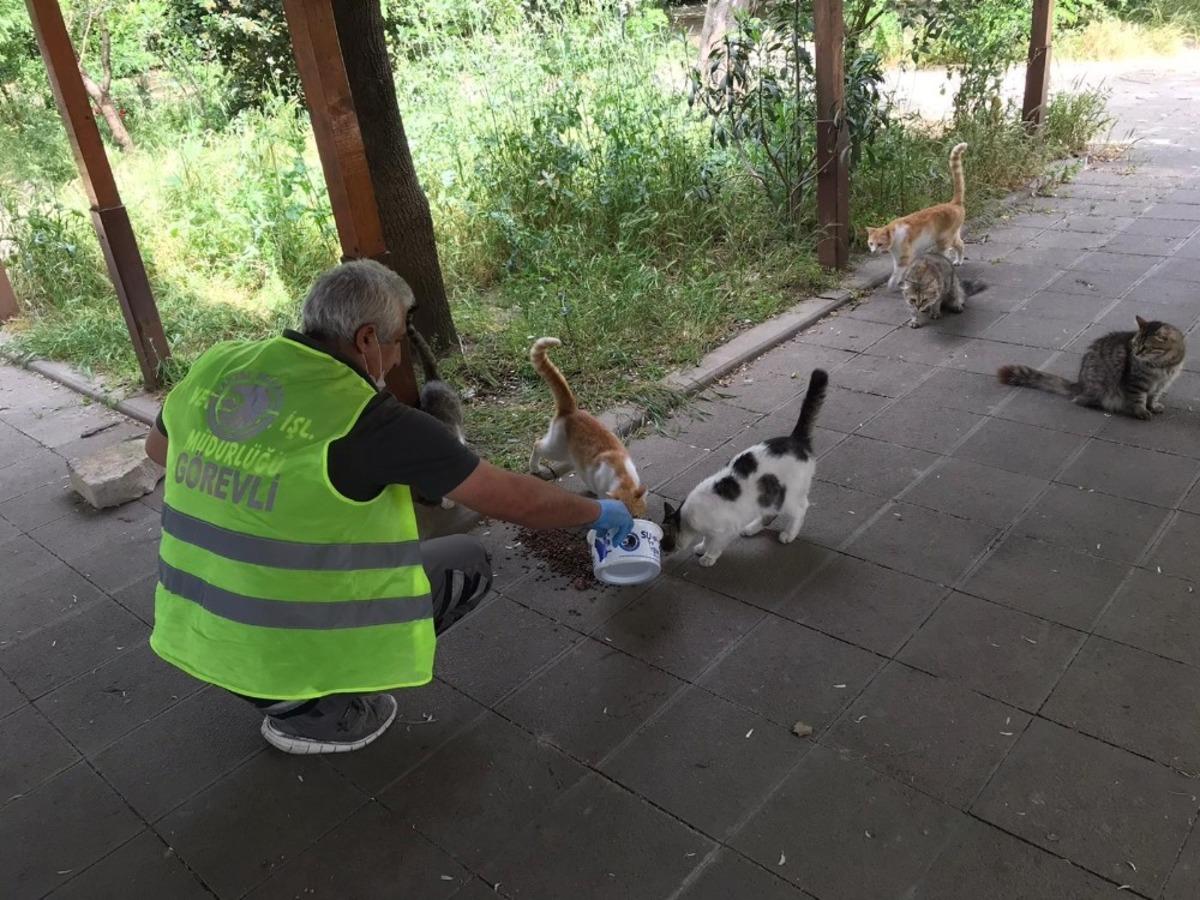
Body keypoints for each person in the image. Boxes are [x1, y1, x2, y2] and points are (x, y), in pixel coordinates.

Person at [144, 259, 634, 755]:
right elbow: (514, 500)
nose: (399, 357)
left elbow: (158, 451)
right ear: (366, 341)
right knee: (466, 564)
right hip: (280, 646)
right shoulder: (372, 422)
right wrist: (600, 512)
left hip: (197, 626)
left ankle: (278, 687)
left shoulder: (221, 364)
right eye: (397, 340)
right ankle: (320, 710)